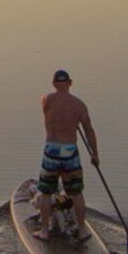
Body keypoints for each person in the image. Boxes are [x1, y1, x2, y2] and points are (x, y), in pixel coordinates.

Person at [36, 69, 99, 242]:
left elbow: (43, 101)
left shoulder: (47, 100)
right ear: (70, 83)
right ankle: (81, 230)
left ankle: (44, 231)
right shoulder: (79, 105)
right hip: (70, 151)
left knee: (47, 192)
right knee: (76, 193)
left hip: (51, 150)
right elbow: (89, 131)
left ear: (54, 83)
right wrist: (95, 154)